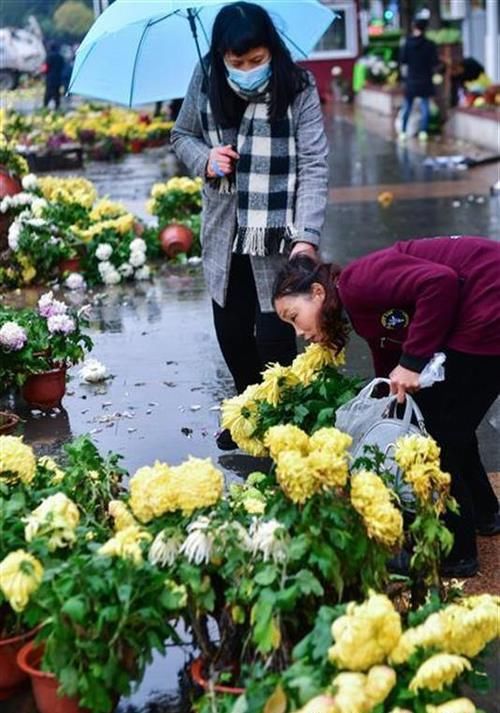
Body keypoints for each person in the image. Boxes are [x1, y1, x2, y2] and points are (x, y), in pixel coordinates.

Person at [272, 236, 500, 578]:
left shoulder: (358, 283)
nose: (299, 331)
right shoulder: (357, 306)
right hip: (481, 303)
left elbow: (440, 283)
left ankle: (457, 554)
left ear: (318, 293)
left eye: (294, 316)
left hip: (488, 298)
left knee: (440, 435)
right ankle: (485, 514)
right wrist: (390, 402)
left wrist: (411, 362)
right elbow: (388, 348)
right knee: (449, 421)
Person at [171, 1, 328, 450]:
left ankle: (277, 418)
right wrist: (207, 159)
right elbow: (181, 135)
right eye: (236, 63)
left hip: (278, 231)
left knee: (276, 333)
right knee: (233, 330)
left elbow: (314, 164)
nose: (246, 70)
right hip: (224, 229)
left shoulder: (297, 86)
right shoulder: (206, 76)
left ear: (271, 51)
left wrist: (307, 239)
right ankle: (245, 411)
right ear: (221, 56)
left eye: (256, 61)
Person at [399, 19, 439, 142]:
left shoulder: (407, 43)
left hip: (411, 79)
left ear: (414, 27)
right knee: (424, 106)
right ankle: (423, 132)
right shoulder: (430, 44)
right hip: (425, 79)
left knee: (407, 106)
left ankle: (403, 131)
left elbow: (403, 60)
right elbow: (434, 62)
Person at [43, 41, 65, 110]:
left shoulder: (49, 57)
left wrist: (43, 73)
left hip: (50, 78)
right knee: (56, 93)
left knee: (48, 93)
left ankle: (45, 106)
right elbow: (63, 67)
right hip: (58, 78)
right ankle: (57, 107)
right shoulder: (60, 57)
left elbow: (46, 68)